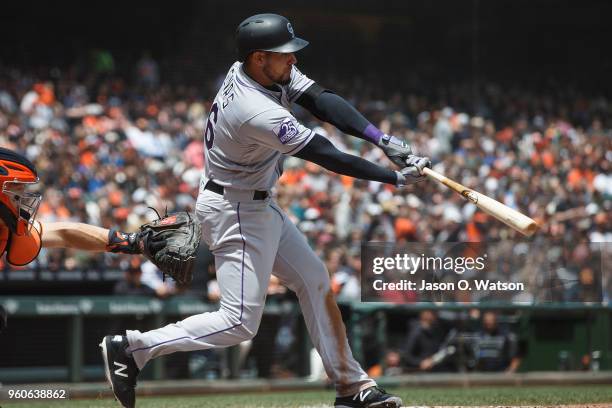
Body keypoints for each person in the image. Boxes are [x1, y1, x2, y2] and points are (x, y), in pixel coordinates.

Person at [101, 14, 430, 408]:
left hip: (253, 202)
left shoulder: (254, 70)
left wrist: (381, 138)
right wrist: (391, 178)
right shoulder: (254, 108)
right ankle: (134, 348)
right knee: (239, 322)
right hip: (235, 209)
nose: (293, 60)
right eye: (284, 54)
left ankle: (351, 387)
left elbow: (320, 99)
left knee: (314, 279)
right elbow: (325, 154)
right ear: (259, 57)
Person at [0, 146, 149, 331]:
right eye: (18, 192)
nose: (23, 199)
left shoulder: (5, 227)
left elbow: (66, 233)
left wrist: (133, 242)